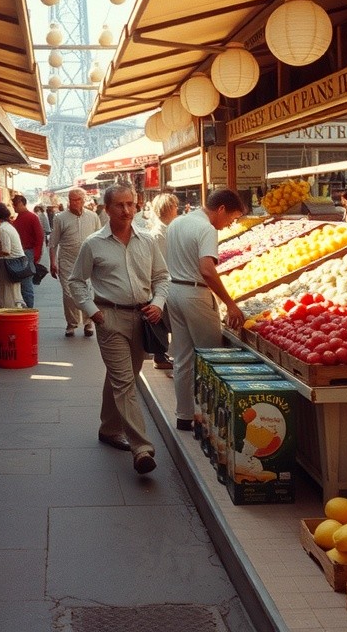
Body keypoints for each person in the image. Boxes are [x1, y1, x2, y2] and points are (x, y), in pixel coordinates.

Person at [68, 183, 170, 475]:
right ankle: (142, 448)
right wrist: (92, 311)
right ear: (106, 208)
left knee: (123, 376)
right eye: (119, 205)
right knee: (125, 382)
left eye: (130, 204)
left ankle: (109, 428)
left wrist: (158, 303)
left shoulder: (147, 240)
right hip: (109, 319)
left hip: (143, 319)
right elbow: (76, 281)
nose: (126, 210)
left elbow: (162, 277)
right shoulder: (93, 244)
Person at [166, 187, 246, 432]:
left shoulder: (177, 222)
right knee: (213, 357)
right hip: (196, 294)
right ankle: (213, 421)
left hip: (174, 290)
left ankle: (184, 415)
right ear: (221, 209)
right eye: (231, 218)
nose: (230, 224)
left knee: (183, 358)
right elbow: (207, 270)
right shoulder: (207, 229)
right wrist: (229, 303)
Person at [49, 187, 100, 336]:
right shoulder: (60, 218)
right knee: (69, 294)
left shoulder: (93, 217)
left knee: (87, 292)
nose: (74, 203)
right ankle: (71, 323)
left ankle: (88, 322)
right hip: (67, 261)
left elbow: (99, 239)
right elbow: (53, 242)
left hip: (87, 261)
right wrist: (53, 262)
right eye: (71, 200)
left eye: (77, 200)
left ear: (83, 200)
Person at [147, 192, 180, 371]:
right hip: (164, 282)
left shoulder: (167, 230)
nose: (177, 209)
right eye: (174, 206)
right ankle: (160, 356)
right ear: (167, 209)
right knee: (162, 321)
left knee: (165, 321)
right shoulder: (158, 234)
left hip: (169, 281)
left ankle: (162, 355)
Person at [0, 202, 27, 309]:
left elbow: (6, 251)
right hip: (18, 262)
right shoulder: (8, 226)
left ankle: (9, 312)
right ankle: (15, 310)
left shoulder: (3, 229)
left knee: (8, 293)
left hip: (11, 263)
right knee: (14, 292)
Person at [11, 195, 44, 308]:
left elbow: (39, 237)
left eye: (16, 204)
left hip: (27, 253)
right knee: (23, 284)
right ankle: (26, 307)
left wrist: (36, 255)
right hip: (20, 253)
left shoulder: (32, 217)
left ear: (22, 203)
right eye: (13, 204)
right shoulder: (18, 218)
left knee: (26, 283)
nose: (14, 207)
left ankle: (29, 308)